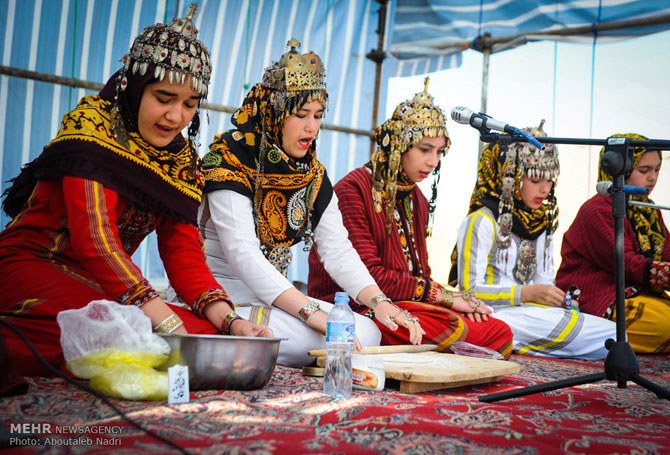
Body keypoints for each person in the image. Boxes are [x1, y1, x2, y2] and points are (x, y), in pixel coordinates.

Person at [0, 4, 271, 377]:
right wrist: (159, 317)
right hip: (32, 265)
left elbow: (182, 253)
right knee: (127, 335)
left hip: (108, 286)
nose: (176, 117)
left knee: (209, 339)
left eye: (190, 104)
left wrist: (230, 322)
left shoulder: (181, 160)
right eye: (163, 98)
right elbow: (95, 241)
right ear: (133, 87)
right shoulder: (94, 129)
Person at [188, 39, 423, 368]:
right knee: (327, 336)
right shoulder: (230, 159)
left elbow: (337, 250)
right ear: (275, 111)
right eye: (301, 115)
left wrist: (379, 301)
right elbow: (243, 253)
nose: (312, 127)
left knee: (367, 331)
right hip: (223, 298)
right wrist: (313, 315)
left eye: (318, 115)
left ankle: (267, 345)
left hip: (276, 301)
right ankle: (226, 336)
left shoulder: (311, 173)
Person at [308, 80, 514, 359]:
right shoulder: (352, 190)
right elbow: (372, 276)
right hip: (355, 306)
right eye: (425, 149)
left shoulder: (417, 198)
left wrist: (454, 300)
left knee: (498, 330)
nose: (433, 161)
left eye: (440, 152)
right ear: (399, 145)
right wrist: (447, 298)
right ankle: (436, 347)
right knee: (450, 326)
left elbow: (421, 276)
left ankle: (433, 348)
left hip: (406, 305)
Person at [453, 124, 616, 359]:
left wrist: (559, 301)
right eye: (535, 179)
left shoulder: (542, 223)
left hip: (533, 315)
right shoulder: (482, 221)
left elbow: (544, 281)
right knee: (498, 323)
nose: (545, 189)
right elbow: (469, 291)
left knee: (612, 335)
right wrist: (527, 293)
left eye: (550, 180)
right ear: (509, 175)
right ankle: (509, 340)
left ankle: (513, 344)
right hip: (495, 312)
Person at [556, 133, 670, 354]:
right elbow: (626, 263)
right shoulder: (597, 209)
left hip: (639, 294)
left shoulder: (647, 208)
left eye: (657, 170)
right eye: (644, 171)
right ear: (618, 170)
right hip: (600, 299)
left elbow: (666, 250)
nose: (652, 178)